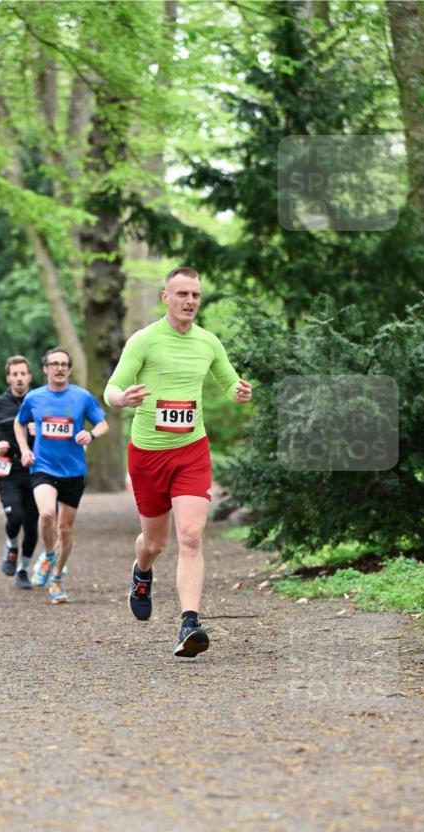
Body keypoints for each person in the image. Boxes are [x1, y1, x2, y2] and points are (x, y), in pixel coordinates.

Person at [104, 266, 252, 658]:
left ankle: (189, 622)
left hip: (191, 451)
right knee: (155, 542)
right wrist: (121, 400)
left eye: (196, 296)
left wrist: (239, 392)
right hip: (149, 453)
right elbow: (112, 388)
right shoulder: (145, 340)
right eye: (182, 294)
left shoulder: (208, 343)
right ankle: (142, 572)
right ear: (165, 298)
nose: (190, 302)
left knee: (190, 536)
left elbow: (229, 382)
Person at [14, 346, 108, 603]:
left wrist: (91, 434)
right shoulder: (34, 398)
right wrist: (24, 449)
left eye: (63, 364)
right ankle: (49, 555)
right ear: (45, 369)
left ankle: (56, 580)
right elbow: (19, 423)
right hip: (43, 467)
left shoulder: (82, 397)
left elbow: (102, 422)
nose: (59, 368)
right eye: (54, 364)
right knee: (46, 514)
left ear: (69, 369)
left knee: (65, 530)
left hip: (74, 471)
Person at [0, 355, 39, 589]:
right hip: (9, 470)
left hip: (36, 471)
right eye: (15, 374)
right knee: (16, 517)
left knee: (32, 525)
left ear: (30, 376)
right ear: (8, 378)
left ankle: (23, 569)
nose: (19, 378)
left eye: (23, 374)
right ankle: (11, 545)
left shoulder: (40, 401)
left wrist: (38, 429)